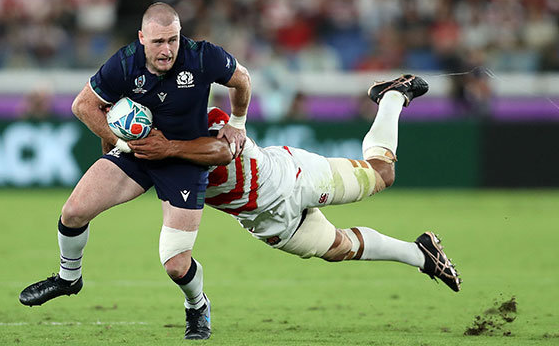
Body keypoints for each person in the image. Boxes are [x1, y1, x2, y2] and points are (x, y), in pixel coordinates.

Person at [18, 2, 252, 340]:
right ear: (142, 37)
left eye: (173, 40)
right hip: (137, 153)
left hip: (185, 158)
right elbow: (82, 105)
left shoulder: (202, 57)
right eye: (158, 41)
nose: (167, 49)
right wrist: (122, 142)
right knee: (73, 212)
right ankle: (68, 278)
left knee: (175, 264)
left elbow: (242, 79)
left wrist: (238, 122)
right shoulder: (124, 63)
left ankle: (197, 305)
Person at [127, 75, 462, 293]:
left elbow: (221, 152)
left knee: (382, 174)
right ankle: (421, 253)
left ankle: (392, 97)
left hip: (292, 178)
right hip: (265, 221)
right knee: (338, 250)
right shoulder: (150, 152)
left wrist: (167, 149)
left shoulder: (207, 121)